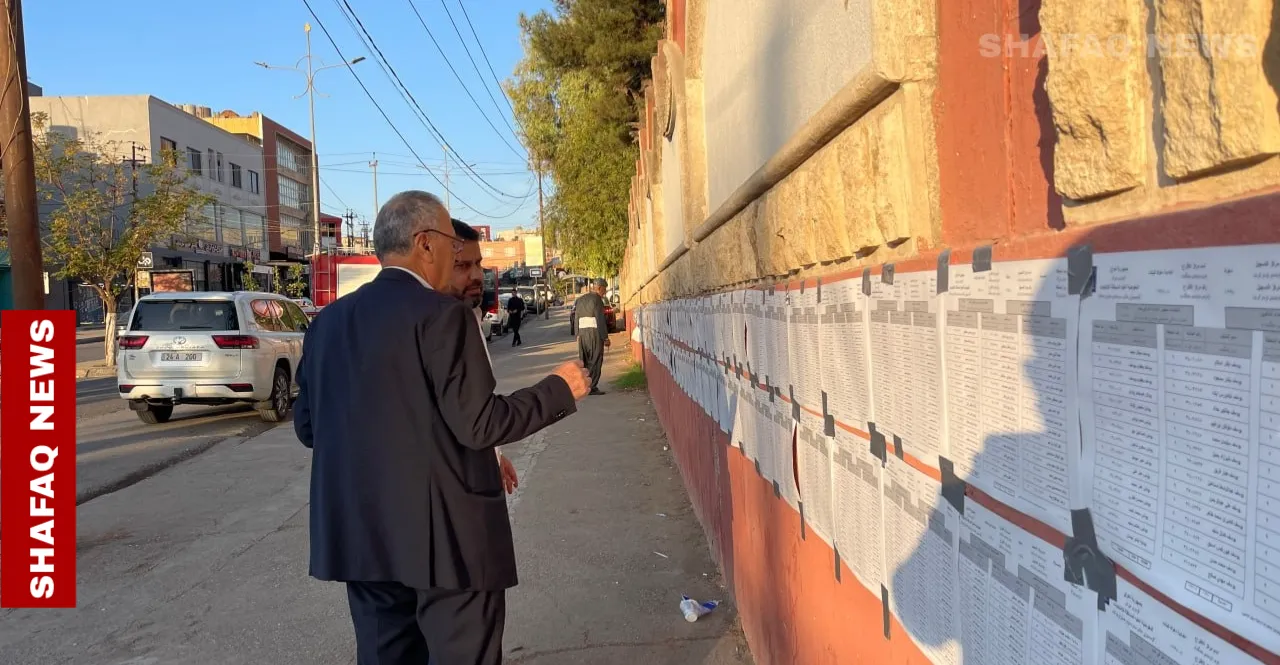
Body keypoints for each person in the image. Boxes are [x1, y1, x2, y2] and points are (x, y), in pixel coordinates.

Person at [293, 191, 591, 665]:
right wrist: (557, 389)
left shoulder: (326, 324)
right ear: (425, 243)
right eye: (454, 245)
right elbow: (480, 423)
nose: (457, 257)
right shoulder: (441, 316)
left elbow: (310, 428)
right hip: (446, 541)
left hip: (363, 537)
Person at [451, 218, 518, 494]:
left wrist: (495, 456)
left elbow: (476, 406)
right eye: (462, 266)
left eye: (478, 264)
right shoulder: (441, 331)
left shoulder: (471, 318)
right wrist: (558, 390)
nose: (477, 275)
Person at [573, 278, 611, 395]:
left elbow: (576, 317)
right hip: (594, 333)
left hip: (582, 334)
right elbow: (600, 319)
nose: (605, 292)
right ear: (599, 288)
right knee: (596, 359)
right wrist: (605, 337)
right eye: (604, 289)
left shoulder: (580, 299)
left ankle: (584, 385)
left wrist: (577, 333)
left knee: (584, 360)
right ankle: (592, 387)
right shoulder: (597, 300)